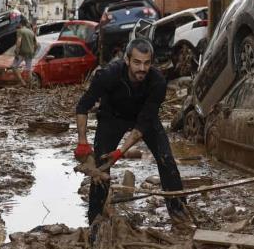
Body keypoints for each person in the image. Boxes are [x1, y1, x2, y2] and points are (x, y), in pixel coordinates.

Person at [74, 37, 189, 227]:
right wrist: (82, 142)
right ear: (127, 60)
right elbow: (82, 106)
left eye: (146, 63)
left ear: (151, 63)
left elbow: (142, 125)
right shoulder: (108, 75)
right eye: (136, 62)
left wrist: (120, 152)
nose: (141, 68)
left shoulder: (158, 81)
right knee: (101, 165)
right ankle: (95, 219)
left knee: (166, 159)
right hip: (112, 117)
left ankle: (178, 213)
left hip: (144, 118)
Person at [11, 20, 37, 87]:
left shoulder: (20, 31)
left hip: (22, 53)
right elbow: (36, 44)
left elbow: (19, 41)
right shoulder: (32, 32)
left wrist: (16, 51)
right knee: (28, 70)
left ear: (21, 25)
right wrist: (33, 52)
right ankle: (31, 85)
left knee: (14, 66)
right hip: (30, 53)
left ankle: (22, 82)